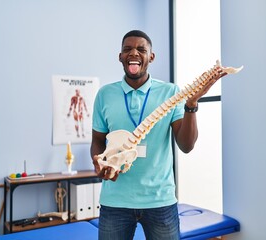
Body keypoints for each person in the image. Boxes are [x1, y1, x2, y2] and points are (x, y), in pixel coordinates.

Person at [90, 30, 226, 240]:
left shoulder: (171, 92)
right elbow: (98, 141)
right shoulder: (105, 95)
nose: (134, 53)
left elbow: (187, 145)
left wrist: (191, 105)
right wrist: (98, 162)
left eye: (141, 49)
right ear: (120, 56)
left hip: (160, 201)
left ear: (151, 57)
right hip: (115, 201)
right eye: (127, 49)